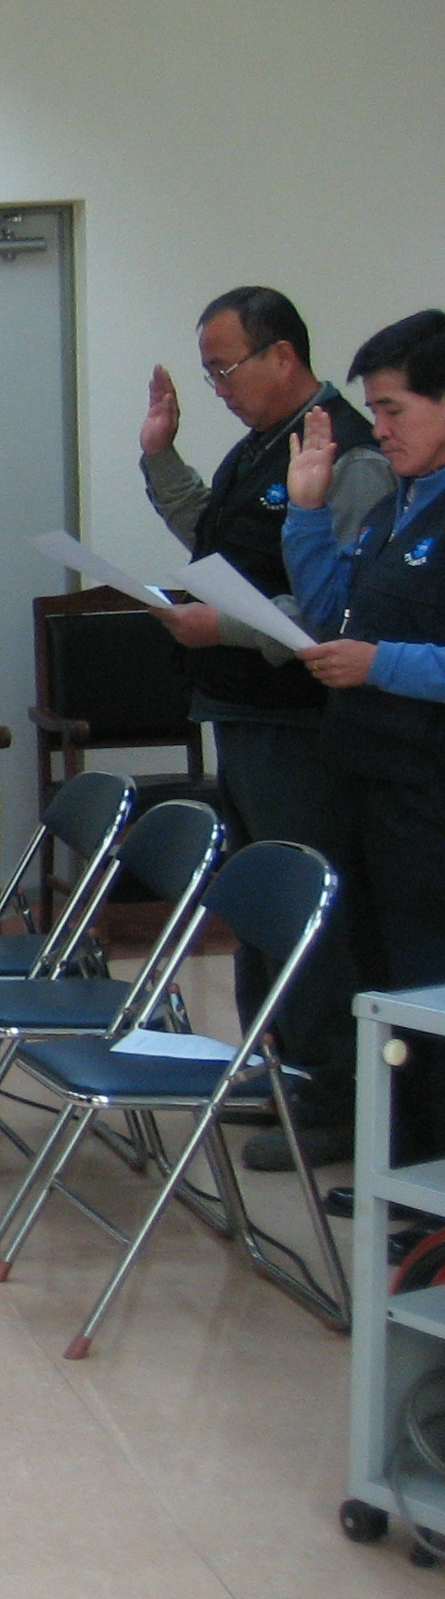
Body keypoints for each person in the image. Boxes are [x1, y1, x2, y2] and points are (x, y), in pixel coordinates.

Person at [139, 285, 390, 1169]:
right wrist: (160, 458)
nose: (218, 388)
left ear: (283, 355)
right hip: (241, 709)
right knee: (254, 903)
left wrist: (229, 629)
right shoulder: (261, 447)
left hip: (301, 721)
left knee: (305, 904)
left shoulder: (348, 456)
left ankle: (335, 1092)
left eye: (226, 368)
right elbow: (216, 540)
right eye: (208, 373)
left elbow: (336, 607)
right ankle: (276, 1062)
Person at [284, 313, 445, 1166]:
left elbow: (378, 650)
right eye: (374, 410)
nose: (378, 429)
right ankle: (403, 1175)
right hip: (364, 779)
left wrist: (382, 664)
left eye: (394, 409)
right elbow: (331, 613)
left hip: (425, 792)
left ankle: (432, 1182)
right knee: (380, 986)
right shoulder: (396, 505)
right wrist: (308, 515)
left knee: (428, 985)